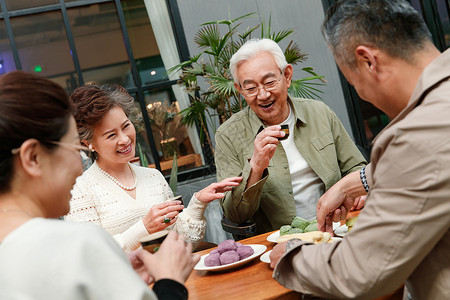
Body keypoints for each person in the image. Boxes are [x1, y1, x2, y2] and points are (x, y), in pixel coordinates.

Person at [270, 1, 450, 299]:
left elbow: (363, 271)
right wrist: (356, 182)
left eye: (353, 83)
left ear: (368, 60)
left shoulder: (417, 132)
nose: (361, 94)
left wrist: (292, 256)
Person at [0, 71, 200, 299]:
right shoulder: (78, 244)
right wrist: (170, 282)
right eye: (75, 148)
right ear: (33, 158)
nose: (79, 167)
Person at [65, 84, 242, 252]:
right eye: (111, 135)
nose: (125, 139)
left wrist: (198, 202)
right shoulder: (79, 190)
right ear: (88, 143)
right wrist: (144, 228)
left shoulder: (153, 177)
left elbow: (183, 243)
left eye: (126, 126)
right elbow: (91, 254)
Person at [215, 38, 366, 234]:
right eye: (251, 88)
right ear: (240, 90)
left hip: (339, 229)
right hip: (280, 242)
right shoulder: (228, 136)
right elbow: (235, 215)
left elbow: (356, 167)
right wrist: (255, 168)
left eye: (269, 82)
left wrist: (358, 194)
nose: (262, 95)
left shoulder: (319, 112)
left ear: (287, 76)